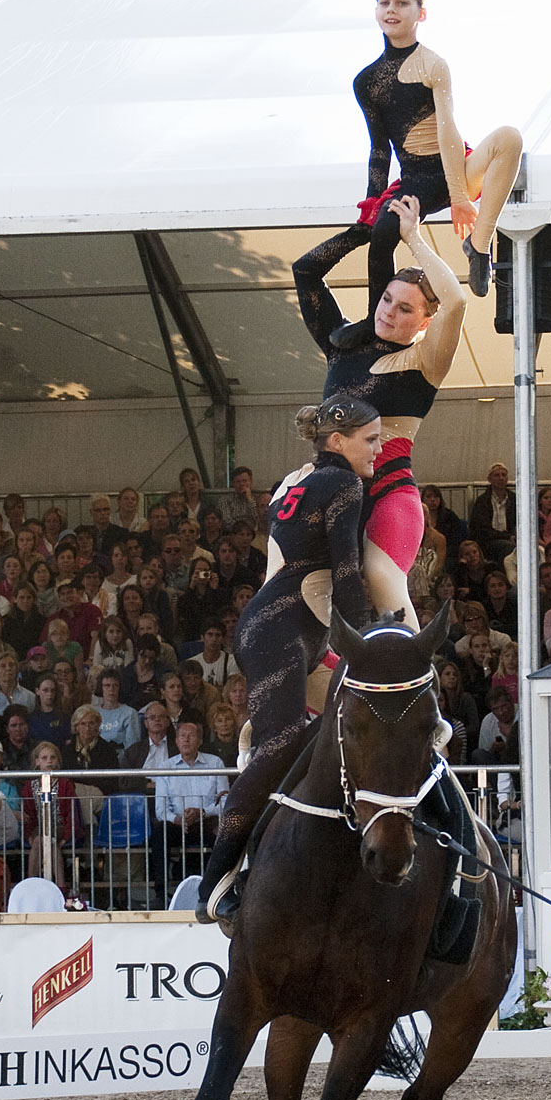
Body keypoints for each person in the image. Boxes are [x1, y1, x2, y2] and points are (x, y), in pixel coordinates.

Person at [195, 394, 378, 922]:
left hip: (282, 626)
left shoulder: (296, 480)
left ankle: (269, 856)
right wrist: (362, 639)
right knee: (278, 746)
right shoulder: (344, 483)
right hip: (283, 630)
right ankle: (215, 883)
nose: (379, 447)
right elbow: (345, 570)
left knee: (326, 737)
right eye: (370, 439)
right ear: (337, 441)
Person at [293, 194, 466, 631]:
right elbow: (305, 271)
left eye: (406, 308)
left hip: (390, 493)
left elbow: (457, 302)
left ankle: (412, 681)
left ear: (425, 322)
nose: (389, 312)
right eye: (387, 299)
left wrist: (414, 238)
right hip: (334, 493)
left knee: (382, 578)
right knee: (305, 593)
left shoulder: (425, 361)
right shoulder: (341, 345)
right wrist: (362, 231)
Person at [341, 0, 522, 310]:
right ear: (376, 10)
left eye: (402, 3)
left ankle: (479, 244)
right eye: (384, 3)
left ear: (420, 13)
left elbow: (447, 128)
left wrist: (459, 195)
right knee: (382, 234)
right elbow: (379, 148)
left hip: (455, 168)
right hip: (417, 179)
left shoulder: (433, 64)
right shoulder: (366, 81)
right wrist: (371, 204)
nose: (391, 9)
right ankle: (372, 322)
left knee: (509, 138)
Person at [151, 719, 229, 908]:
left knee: (224, 830)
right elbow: (161, 809)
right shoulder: (165, 767)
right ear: (176, 741)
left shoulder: (215, 762)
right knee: (159, 830)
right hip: (178, 824)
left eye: (191, 736)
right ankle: (160, 893)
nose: (186, 740)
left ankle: (219, 889)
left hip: (207, 821)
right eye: (182, 736)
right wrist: (177, 819)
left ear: (200, 741)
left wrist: (202, 812)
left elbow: (226, 801)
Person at [21, 741, 83, 887]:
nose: (49, 760)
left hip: (60, 826)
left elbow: (71, 813)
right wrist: (29, 835)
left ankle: (59, 886)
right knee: (39, 840)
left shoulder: (65, 784)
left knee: (51, 841)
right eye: (44, 757)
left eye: (52, 757)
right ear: (37, 762)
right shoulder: (30, 787)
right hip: (39, 827)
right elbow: (28, 815)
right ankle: (32, 884)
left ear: (58, 761)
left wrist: (66, 837)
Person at [120, 700, 179, 795]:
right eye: (152, 717)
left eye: (161, 717)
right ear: (146, 723)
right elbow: (124, 780)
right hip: (142, 797)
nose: (157, 720)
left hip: (172, 795)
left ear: (168, 722)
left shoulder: (178, 748)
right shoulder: (134, 750)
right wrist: (147, 784)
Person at [60, 704, 121, 796]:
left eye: (91, 723)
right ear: (76, 726)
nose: (87, 728)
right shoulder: (66, 750)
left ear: (98, 725)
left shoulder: (108, 750)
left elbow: (111, 782)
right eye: (83, 724)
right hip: (73, 797)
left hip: (100, 797)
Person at [469, 463, 517, 562]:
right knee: (508, 548)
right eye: (497, 475)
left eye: (504, 475)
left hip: (512, 538)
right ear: (489, 479)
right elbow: (482, 530)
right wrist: (507, 536)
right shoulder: (482, 501)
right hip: (488, 541)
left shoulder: (515, 499)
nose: (501, 478)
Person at [471, 684, 517, 765]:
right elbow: (483, 751)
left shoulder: (523, 715)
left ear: (511, 703)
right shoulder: (488, 720)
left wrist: (510, 740)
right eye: (496, 709)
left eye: (503, 706)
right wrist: (493, 749)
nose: (501, 712)